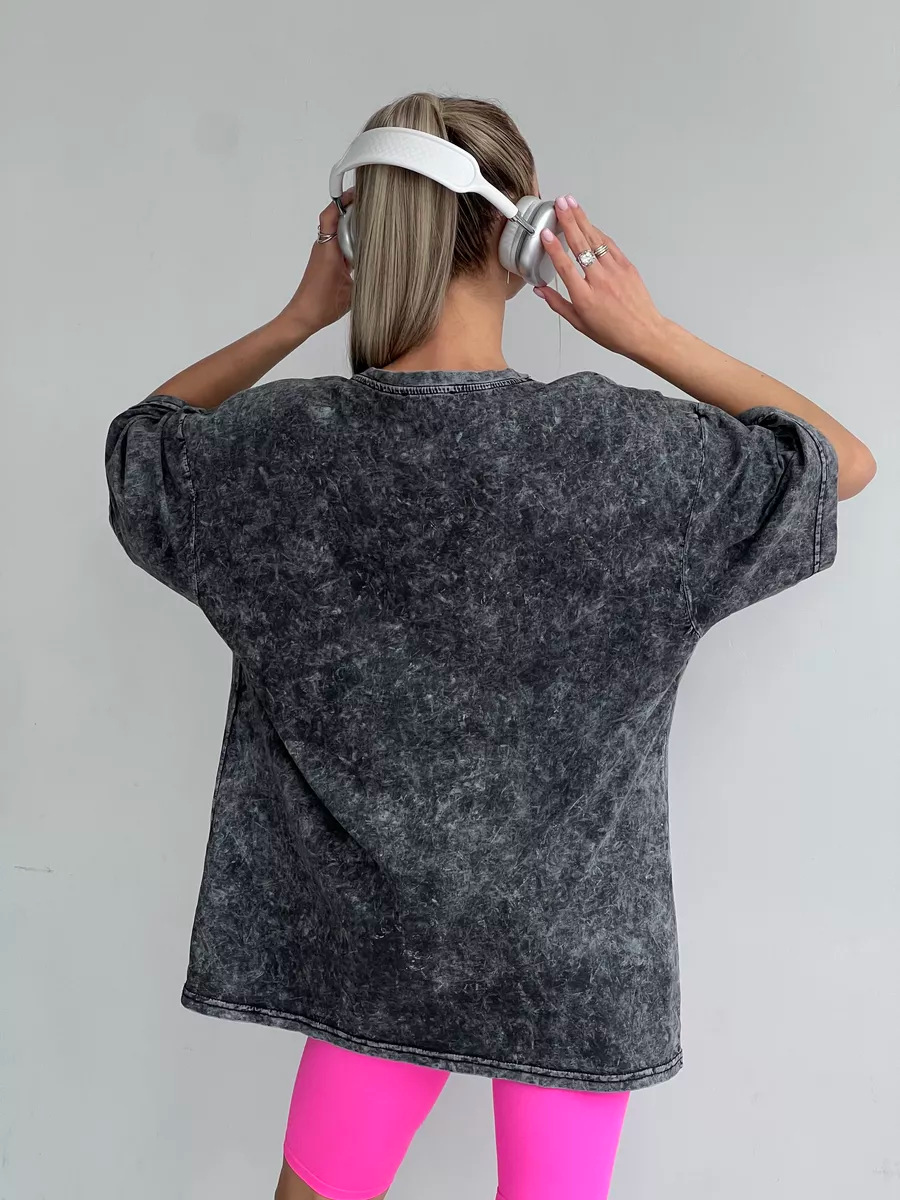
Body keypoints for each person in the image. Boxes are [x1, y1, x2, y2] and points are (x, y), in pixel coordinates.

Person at [104, 91, 876, 1200]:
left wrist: (294, 319)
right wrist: (644, 332)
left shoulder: (278, 449)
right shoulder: (622, 451)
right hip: (575, 959)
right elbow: (840, 462)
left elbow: (139, 449)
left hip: (368, 949)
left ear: (359, 243)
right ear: (522, 245)